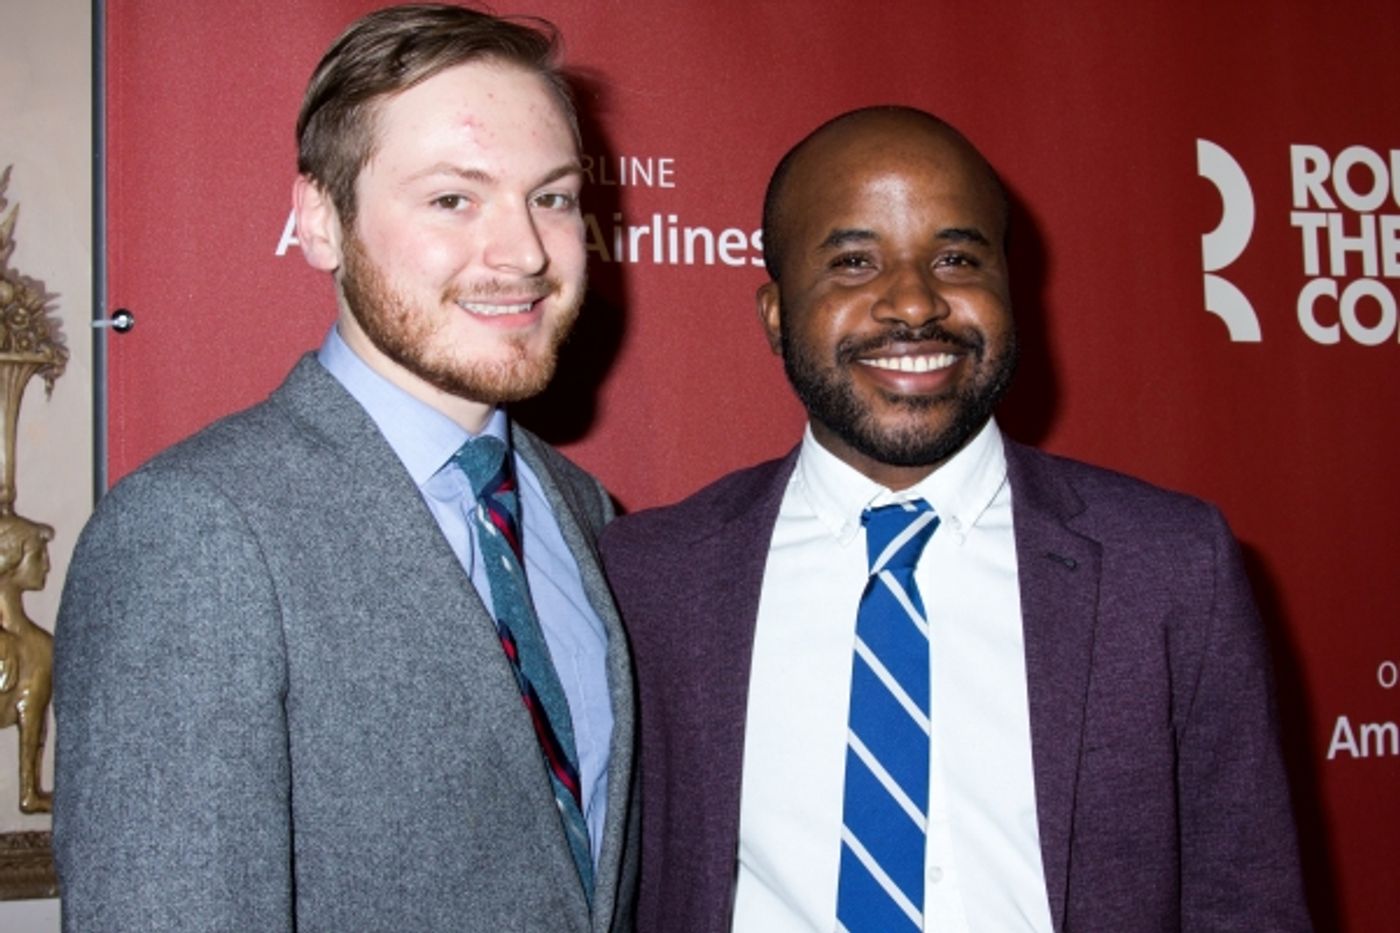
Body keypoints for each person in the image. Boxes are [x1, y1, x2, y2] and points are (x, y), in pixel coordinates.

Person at [599, 106, 1310, 933]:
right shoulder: (653, 577)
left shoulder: (1169, 564)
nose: (913, 302)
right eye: (854, 261)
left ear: (1011, 290)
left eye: (957, 257)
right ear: (776, 314)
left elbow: (1245, 901)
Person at [53, 6, 636, 931]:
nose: (524, 251)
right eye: (454, 198)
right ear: (320, 222)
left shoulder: (585, 513)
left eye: (553, 196)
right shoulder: (192, 534)